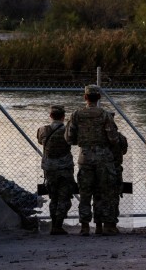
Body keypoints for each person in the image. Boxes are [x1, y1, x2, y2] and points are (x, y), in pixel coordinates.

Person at [64, 84, 120, 236]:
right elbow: (114, 138)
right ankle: (104, 226)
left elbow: (69, 138)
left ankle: (85, 226)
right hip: (103, 157)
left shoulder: (76, 115)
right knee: (104, 192)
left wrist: (82, 142)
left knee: (85, 192)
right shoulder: (105, 115)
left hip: (85, 156)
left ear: (85, 97)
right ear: (99, 97)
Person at [37, 105, 75, 235]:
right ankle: (58, 225)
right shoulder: (67, 131)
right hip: (65, 169)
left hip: (50, 169)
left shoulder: (43, 130)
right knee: (64, 198)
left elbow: (40, 142)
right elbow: (73, 141)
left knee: (54, 198)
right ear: (63, 117)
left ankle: (54, 225)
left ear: (51, 116)